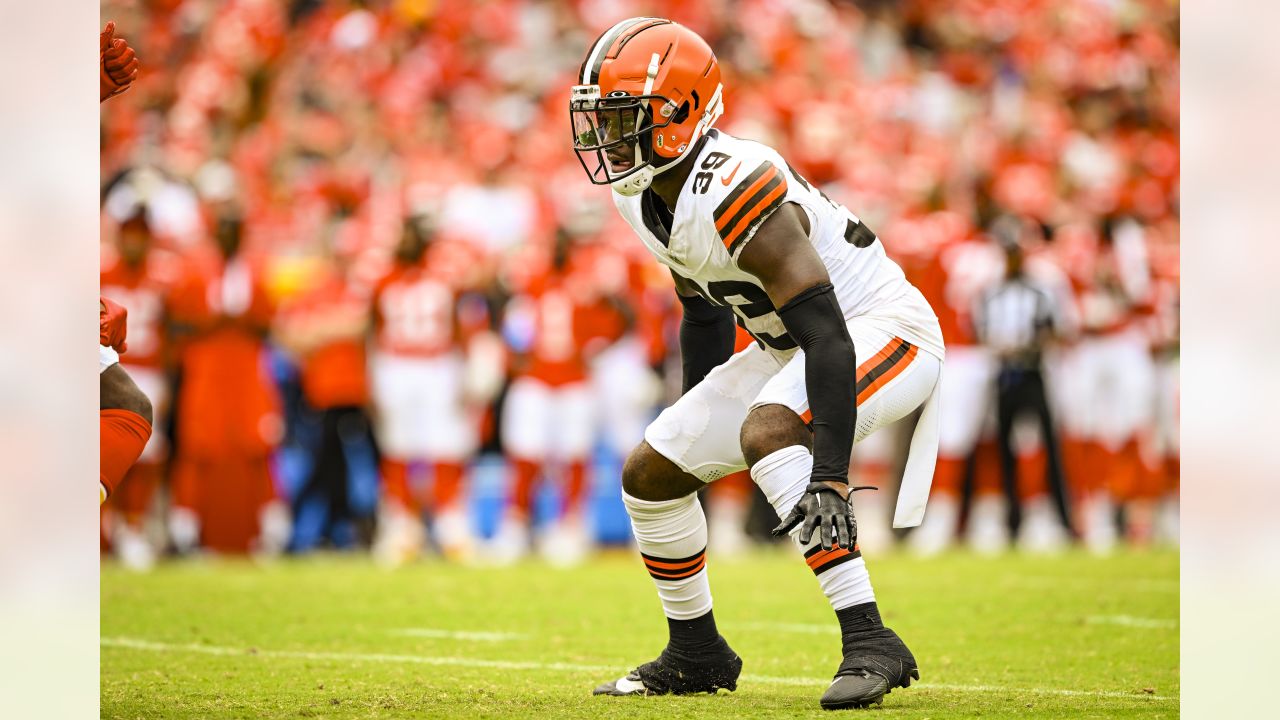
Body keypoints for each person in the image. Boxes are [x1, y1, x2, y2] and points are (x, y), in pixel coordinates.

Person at [573, 19, 944, 710]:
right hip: (795, 345)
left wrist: (829, 475)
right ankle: (696, 653)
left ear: (680, 116)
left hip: (884, 330)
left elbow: (831, 338)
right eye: (605, 117)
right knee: (651, 473)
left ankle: (870, 638)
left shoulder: (735, 184)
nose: (609, 136)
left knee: (770, 430)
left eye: (627, 118)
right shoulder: (643, 193)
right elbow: (704, 311)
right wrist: (694, 428)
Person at [972, 237, 1072, 543]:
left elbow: (1057, 330)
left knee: (1049, 445)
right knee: (1004, 448)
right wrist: (1001, 348)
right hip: (1004, 375)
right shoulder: (991, 294)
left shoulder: (1040, 292)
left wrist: (1030, 345)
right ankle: (1012, 521)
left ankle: (1061, 519)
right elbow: (982, 332)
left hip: (1033, 371)